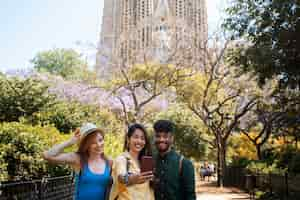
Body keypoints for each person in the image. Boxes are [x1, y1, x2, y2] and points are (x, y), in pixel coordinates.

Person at [43, 123, 111, 200]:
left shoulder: (109, 162)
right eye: (93, 143)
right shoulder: (78, 159)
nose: (99, 145)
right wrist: (70, 142)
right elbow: (47, 155)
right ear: (86, 145)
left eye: (100, 140)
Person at [153, 120, 196, 200]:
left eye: (165, 136)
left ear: (172, 138)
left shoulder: (184, 163)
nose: (161, 139)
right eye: (158, 136)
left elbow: (190, 195)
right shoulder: (151, 162)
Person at [109, 123, 154, 200]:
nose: (139, 141)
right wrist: (132, 179)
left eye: (142, 138)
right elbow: (121, 177)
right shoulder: (122, 159)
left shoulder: (144, 162)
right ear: (128, 139)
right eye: (136, 137)